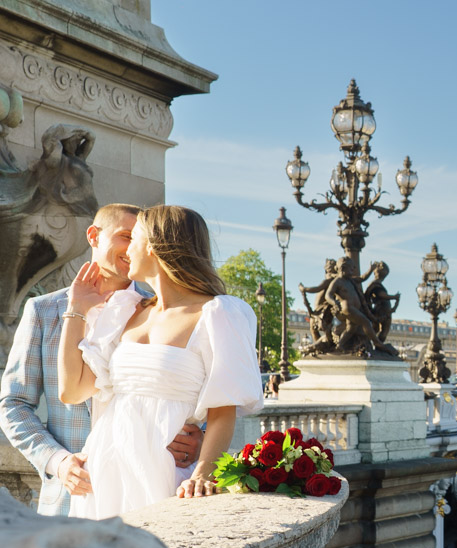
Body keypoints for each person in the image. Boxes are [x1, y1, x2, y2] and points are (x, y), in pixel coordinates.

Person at [57, 205, 263, 519]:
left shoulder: (218, 313)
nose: (127, 249)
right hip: (104, 469)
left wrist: (203, 474)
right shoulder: (126, 310)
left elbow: (224, 409)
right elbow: (71, 390)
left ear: (153, 246)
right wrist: (76, 309)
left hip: (166, 471)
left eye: (133, 238)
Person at [0, 204, 204, 516]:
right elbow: (13, 403)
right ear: (94, 236)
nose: (135, 246)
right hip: (72, 499)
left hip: (151, 490)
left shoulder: (158, 313)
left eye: (140, 238)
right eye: (126, 236)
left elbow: (195, 384)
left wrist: (195, 434)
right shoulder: (42, 311)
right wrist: (58, 461)